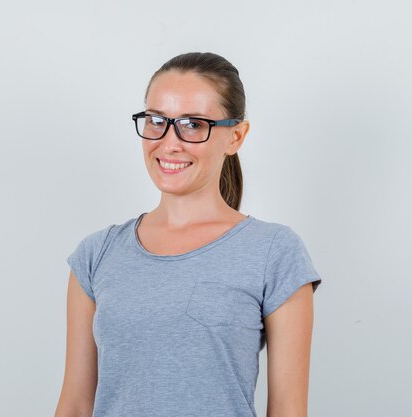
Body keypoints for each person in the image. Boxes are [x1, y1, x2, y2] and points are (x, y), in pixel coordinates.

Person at [54, 52, 323, 417]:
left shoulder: (275, 253)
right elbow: (74, 405)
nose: (169, 142)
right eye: (156, 121)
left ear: (236, 136)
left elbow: (289, 411)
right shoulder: (96, 255)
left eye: (193, 124)